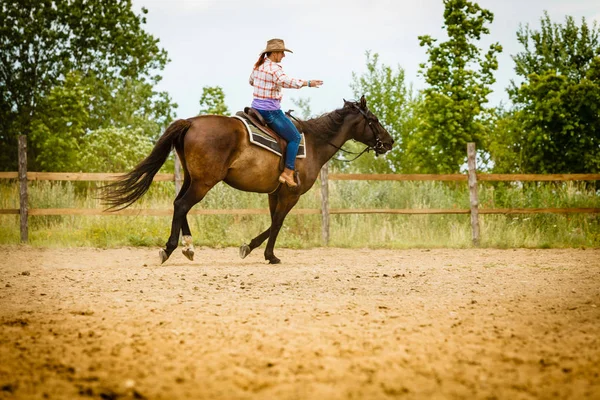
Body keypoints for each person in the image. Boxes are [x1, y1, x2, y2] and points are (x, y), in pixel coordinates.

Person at [249, 38, 323, 187]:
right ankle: (288, 172)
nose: (284, 56)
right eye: (282, 52)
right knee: (295, 137)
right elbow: (286, 82)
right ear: (275, 53)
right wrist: (308, 83)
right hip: (270, 111)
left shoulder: (258, 66)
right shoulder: (275, 69)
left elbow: (251, 81)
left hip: (255, 108)